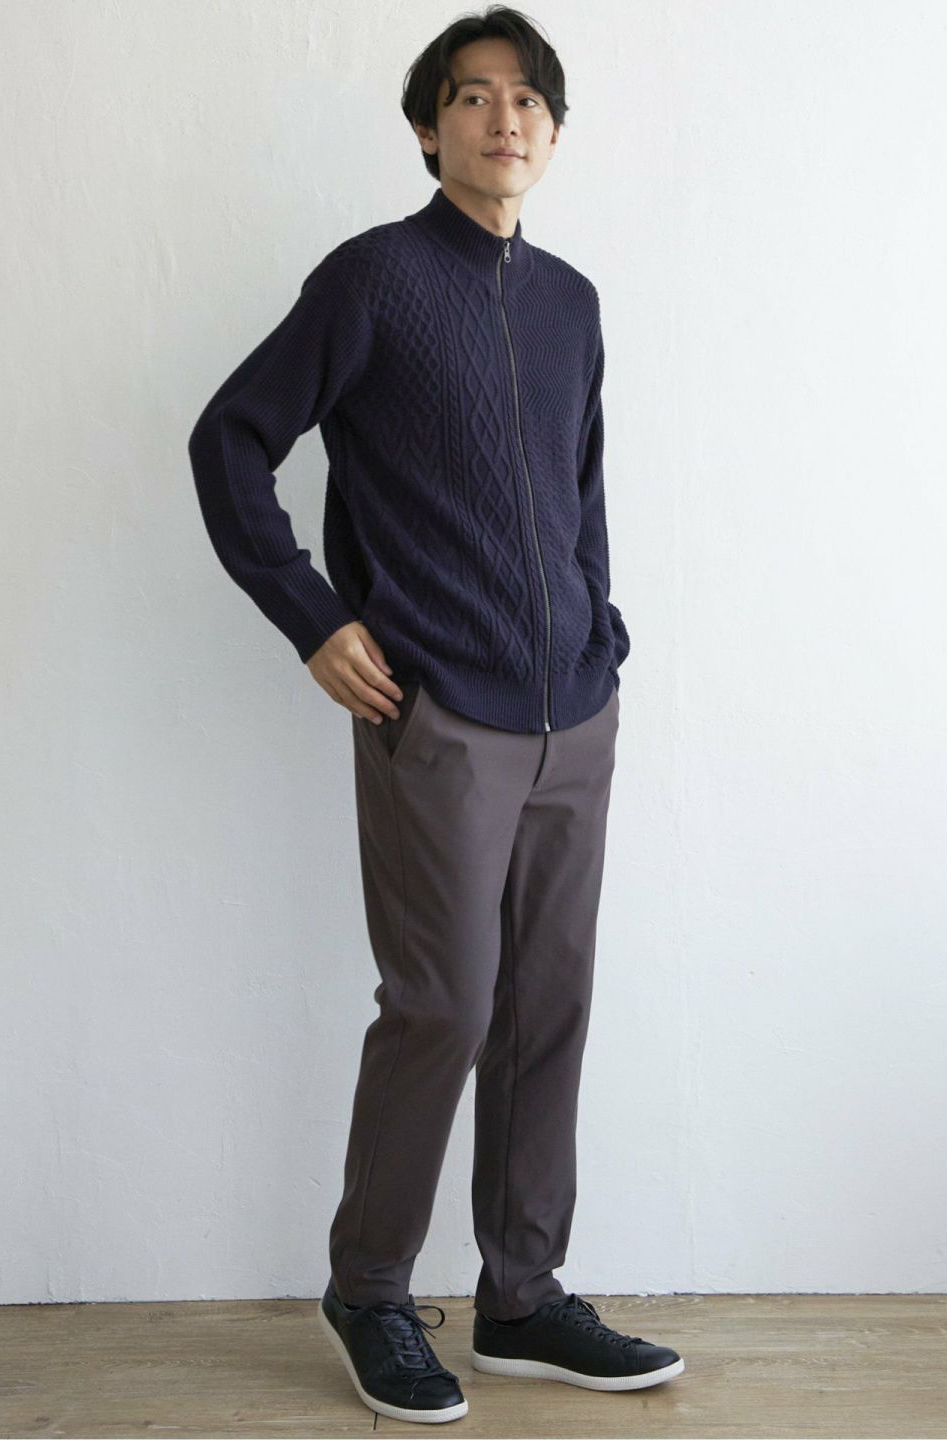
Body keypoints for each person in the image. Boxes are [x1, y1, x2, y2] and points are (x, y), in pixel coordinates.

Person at [188, 5, 684, 1424]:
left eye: (527, 99)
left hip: (574, 714)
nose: (503, 118)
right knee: (444, 1004)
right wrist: (314, 616)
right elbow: (230, 438)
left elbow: (580, 493)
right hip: (441, 710)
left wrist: (600, 631)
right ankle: (369, 1289)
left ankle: (522, 1296)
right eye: (472, 96)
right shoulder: (374, 280)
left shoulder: (574, 302)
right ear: (427, 128)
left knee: (547, 1005)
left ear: (553, 132)